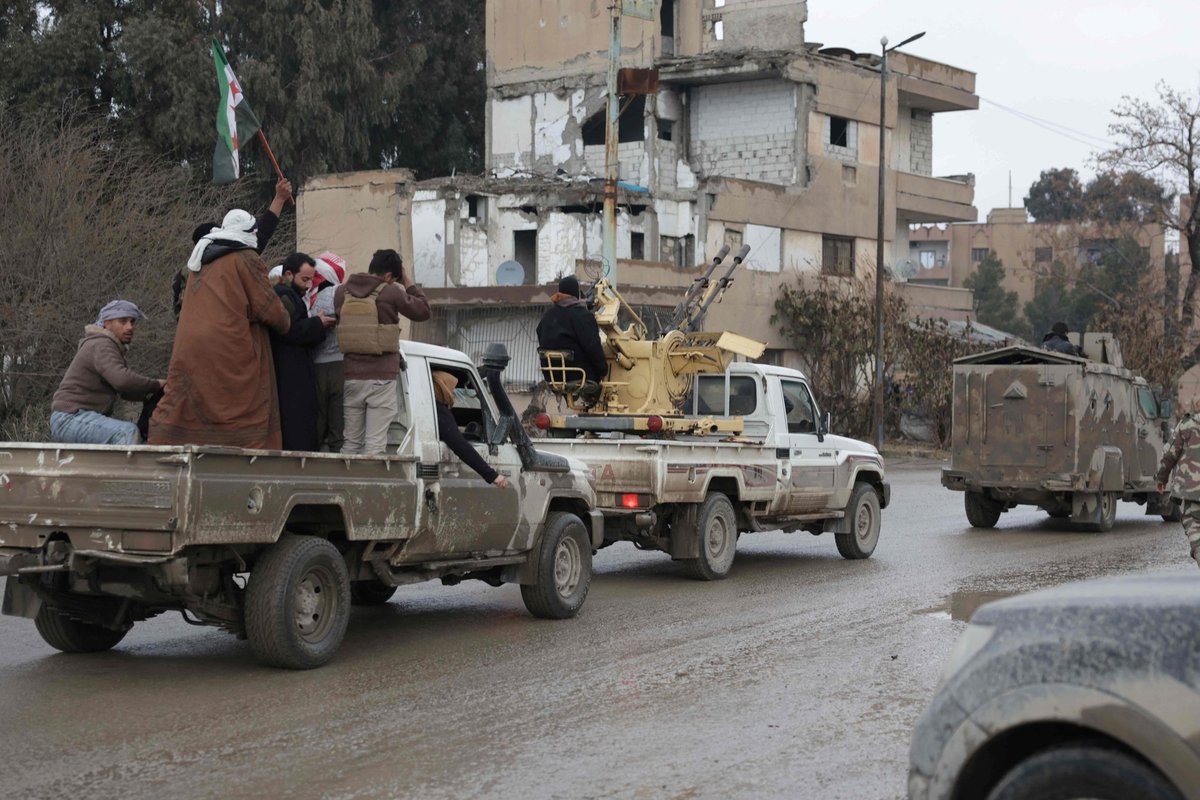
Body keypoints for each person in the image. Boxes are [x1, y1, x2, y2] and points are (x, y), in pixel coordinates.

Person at [149, 209, 291, 449]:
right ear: (249, 232)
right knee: (241, 405)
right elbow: (269, 308)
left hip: (189, 347)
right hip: (229, 345)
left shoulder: (198, 260)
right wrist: (287, 318)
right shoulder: (246, 258)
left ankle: (169, 443)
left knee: (186, 400)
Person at [334, 248, 431, 455]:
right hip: (381, 378)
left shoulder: (342, 292)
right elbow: (423, 311)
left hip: (351, 377)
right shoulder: (390, 291)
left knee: (351, 443)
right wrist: (407, 281)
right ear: (388, 276)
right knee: (375, 445)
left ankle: (346, 475)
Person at [173, 177, 293, 316]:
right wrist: (279, 198)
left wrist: (279, 198)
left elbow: (179, 312)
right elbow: (263, 232)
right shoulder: (236, 260)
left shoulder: (185, 273)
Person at [50, 300, 164, 445]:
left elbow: (126, 392)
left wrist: (152, 394)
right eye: (123, 321)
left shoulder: (107, 346)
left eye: (132, 322)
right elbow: (122, 380)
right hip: (70, 419)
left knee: (138, 438)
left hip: (75, 418)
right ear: (107, 323)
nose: (130, 327)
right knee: (126, 432)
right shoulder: (102, 344)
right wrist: (156, 384)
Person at [271, 252, 336, 450]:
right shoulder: (284, 295)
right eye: (304, 279)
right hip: (290, 374)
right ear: (289, 275)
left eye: (311, 280)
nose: (308, 286)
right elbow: (289, 330)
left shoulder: (288, 294)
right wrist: (317, 323)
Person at [431, 371, 509, 488]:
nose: (453, 394)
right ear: (443, 389)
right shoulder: (439, 412)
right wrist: (492, 475)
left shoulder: (432, 409)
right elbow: (460, 445)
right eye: (451, 389)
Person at [536, 275, 607, 391]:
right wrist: (603, 371)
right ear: (576, 293)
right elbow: (593, 348)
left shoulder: (547, 316)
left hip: (552, 376)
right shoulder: (583, 316)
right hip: (579, 375)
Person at [309, 252, 348, 452]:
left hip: (314, 365)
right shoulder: (339, 294)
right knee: (337, 423)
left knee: (316, 422)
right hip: (338, 364)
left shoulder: (307, 295)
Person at [1156, 400, 1200, 570]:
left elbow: (1169, 455)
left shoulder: (1186, 424)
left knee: (1194, 529)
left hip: (1190, 493)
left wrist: (1161, 479)